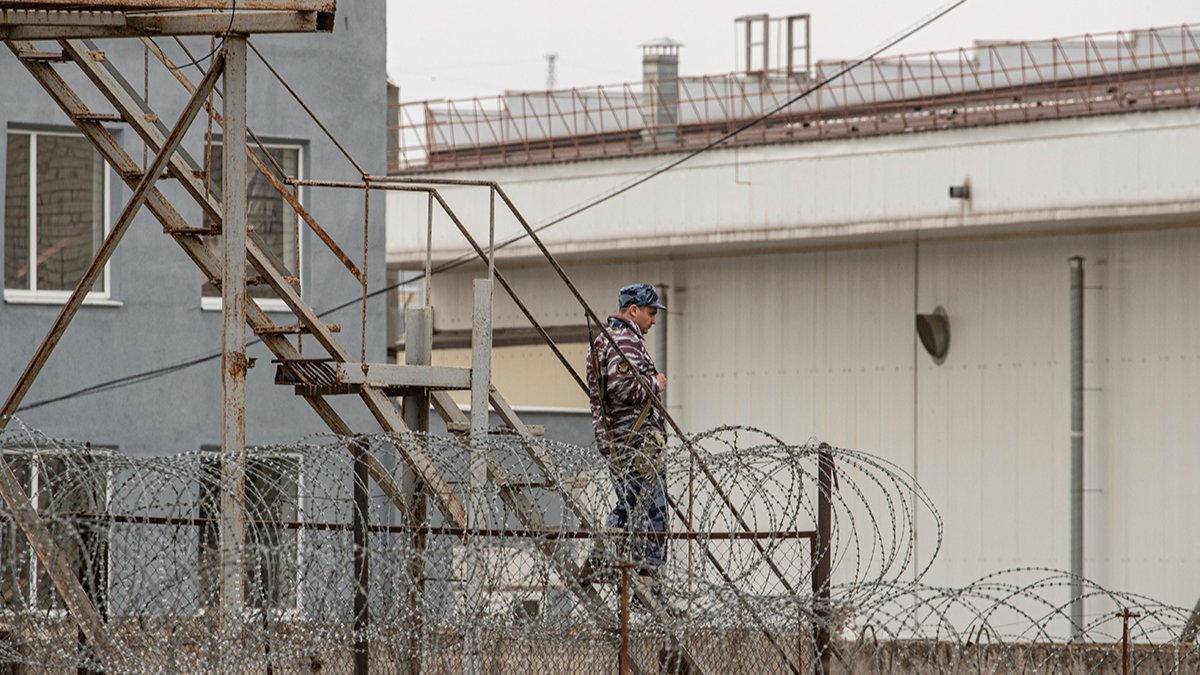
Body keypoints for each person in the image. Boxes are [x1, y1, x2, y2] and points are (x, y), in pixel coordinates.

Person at [585, 283, 669, 579]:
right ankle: (648, 583)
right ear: (633, 310)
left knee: (630, 505)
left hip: (620, 441)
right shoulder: (625, 341)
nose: (653, 320)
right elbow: (622, 387)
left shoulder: (605, 341)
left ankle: (604, 556)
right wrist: (656, 383)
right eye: (650, 313)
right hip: (636, 442)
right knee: (655, 512)